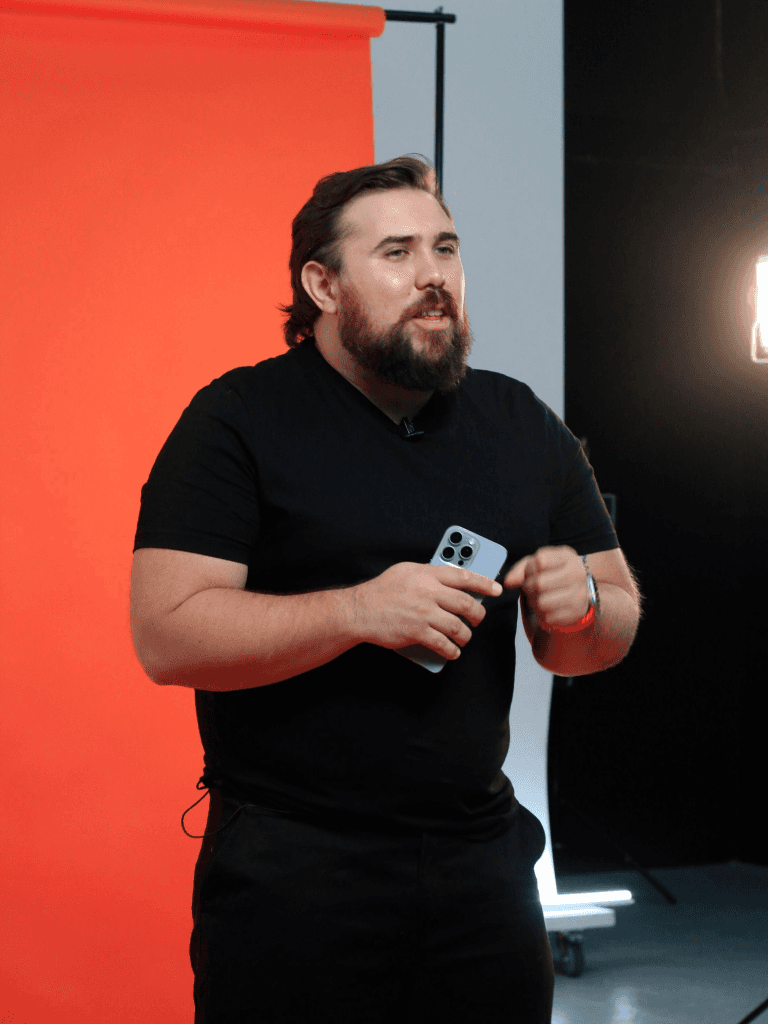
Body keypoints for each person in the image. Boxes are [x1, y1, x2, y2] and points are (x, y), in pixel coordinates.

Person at [130, 155, 642, 1024]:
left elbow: (603, 631)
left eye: (445, 248)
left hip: (482, 872)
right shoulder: (235, 420)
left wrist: (582, 607)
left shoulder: (521, 423)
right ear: (323, 285)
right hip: (294, 876)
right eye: (397, 253)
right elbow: (166, 635)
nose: (433, 275)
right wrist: (357, 611)